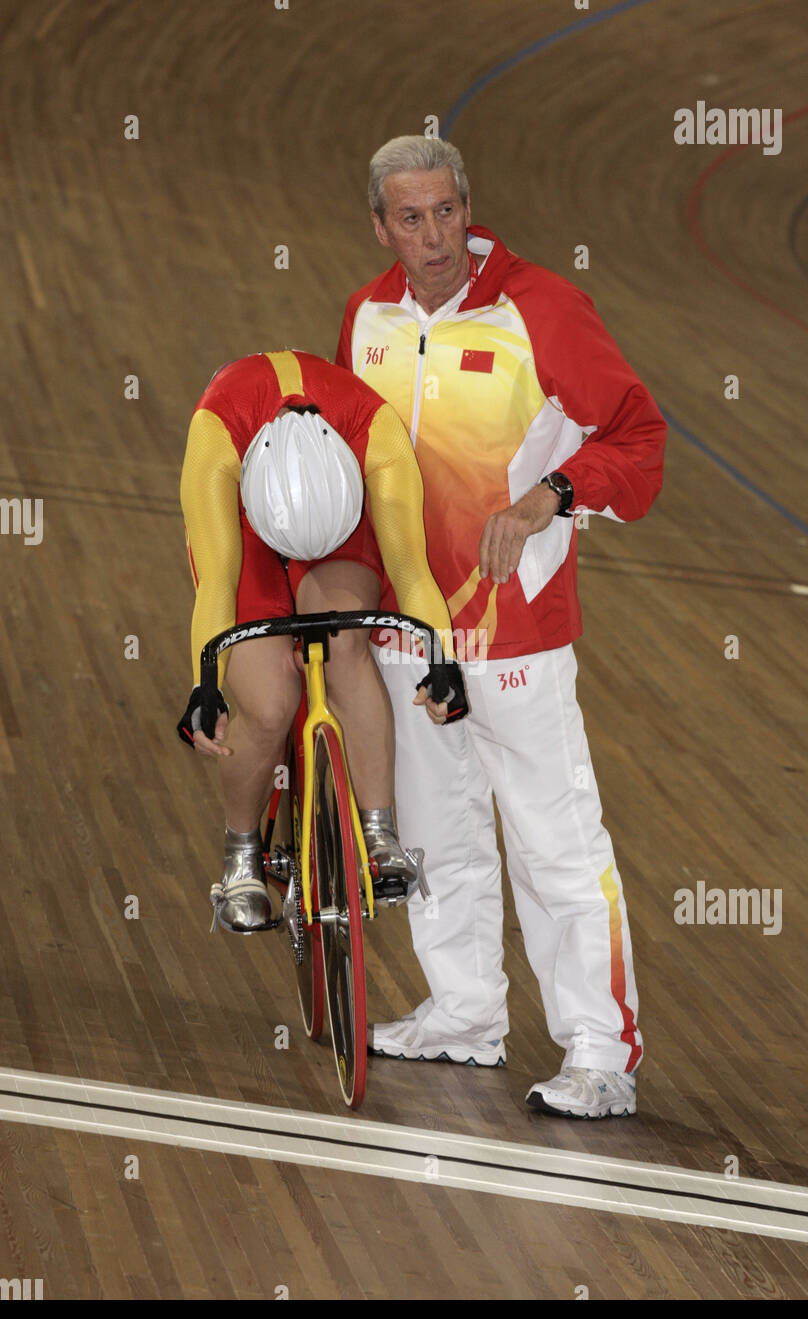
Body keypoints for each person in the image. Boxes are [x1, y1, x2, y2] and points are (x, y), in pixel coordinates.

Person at [336, 136, 666, 1118]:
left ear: (465, 206)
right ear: (378, 224)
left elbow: (637, 440)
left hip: (515, 632)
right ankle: (463, 1011)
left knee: (553, 843)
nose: (432, 235)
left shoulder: (542, 308)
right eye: (409, 217)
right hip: (410, 635)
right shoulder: (366, 318)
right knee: (436, 834)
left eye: (445, 211)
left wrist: (553, 495)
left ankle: (600, 1052)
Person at [177, 348, 464, 933]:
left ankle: (380, 834)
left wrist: (444, 662)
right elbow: (217, 588)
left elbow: (412, 572)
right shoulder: (215, 435)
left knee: (344, 646)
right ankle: (241, 856)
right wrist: (206, 687)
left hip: (340, 512)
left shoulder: (378, 436)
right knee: (269, 699)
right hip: (246, 512)